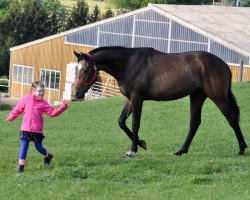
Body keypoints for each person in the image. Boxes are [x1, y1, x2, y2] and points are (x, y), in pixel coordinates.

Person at [6, 81, 68, 173]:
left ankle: (47, 156)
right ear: (33, 90)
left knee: (38, 147)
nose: (42, 93)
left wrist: (62, 108)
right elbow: (18, 109)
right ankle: (21, 167)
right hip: (25, 129)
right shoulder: (26, 99)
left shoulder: (43, 103)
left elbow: (52, 113)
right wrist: (11, 117)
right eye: (39, 91)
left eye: (43, 91)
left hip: (36, 130)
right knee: (24, 146)